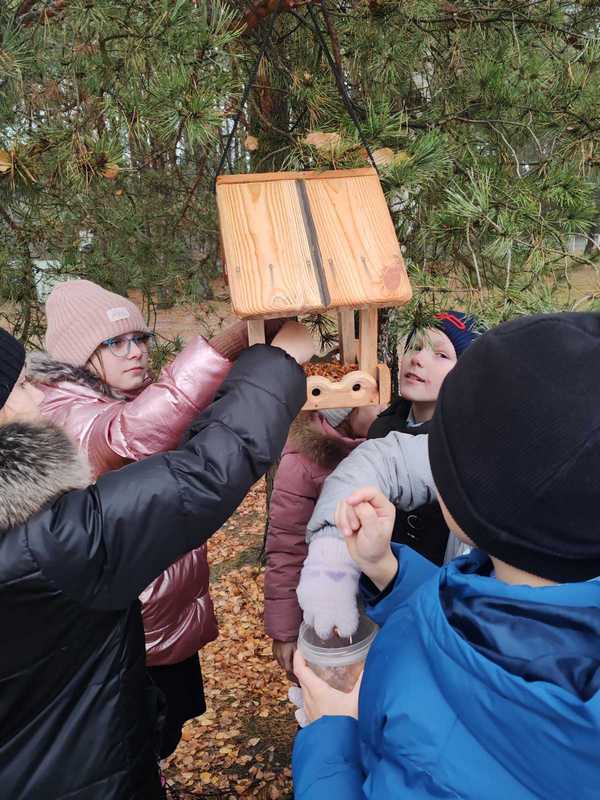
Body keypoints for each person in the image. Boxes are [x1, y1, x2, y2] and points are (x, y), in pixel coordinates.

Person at [292, 312, 600, 800]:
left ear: (475, 495)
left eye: (447, 449)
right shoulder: (548, 588)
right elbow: (500, 627)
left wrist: (333, 734)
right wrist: (389, 572)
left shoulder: (437, 758)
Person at [0, 321, 312, 800]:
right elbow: (203, 474)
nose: (39, 398)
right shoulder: (46, 544)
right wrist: (275, 364)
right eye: (22, 385)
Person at [29, 279, 283, 757]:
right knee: (140, 744)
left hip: (161, 626)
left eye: (139, 339)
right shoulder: (67, 412)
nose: (136, 352)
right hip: (130, 638)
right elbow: (134, 434)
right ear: (78, 356)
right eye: (114, 343)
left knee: (163, 732)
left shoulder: (113, 398)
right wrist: (230, 343)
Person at [297, 311, 479, 638]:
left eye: (440, 354)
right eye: (415, 347)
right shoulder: (382, 423)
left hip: (428, 607)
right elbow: (317, 426)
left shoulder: (464, 443)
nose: (419, 359)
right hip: (370, 599)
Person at [264, 405, 381, 682]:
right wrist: (285, 632)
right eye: (372, 404)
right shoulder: (300, 464)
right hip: (321, 610)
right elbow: (286, 548)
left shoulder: (381, 448)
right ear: (346, 414)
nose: (382, 409)